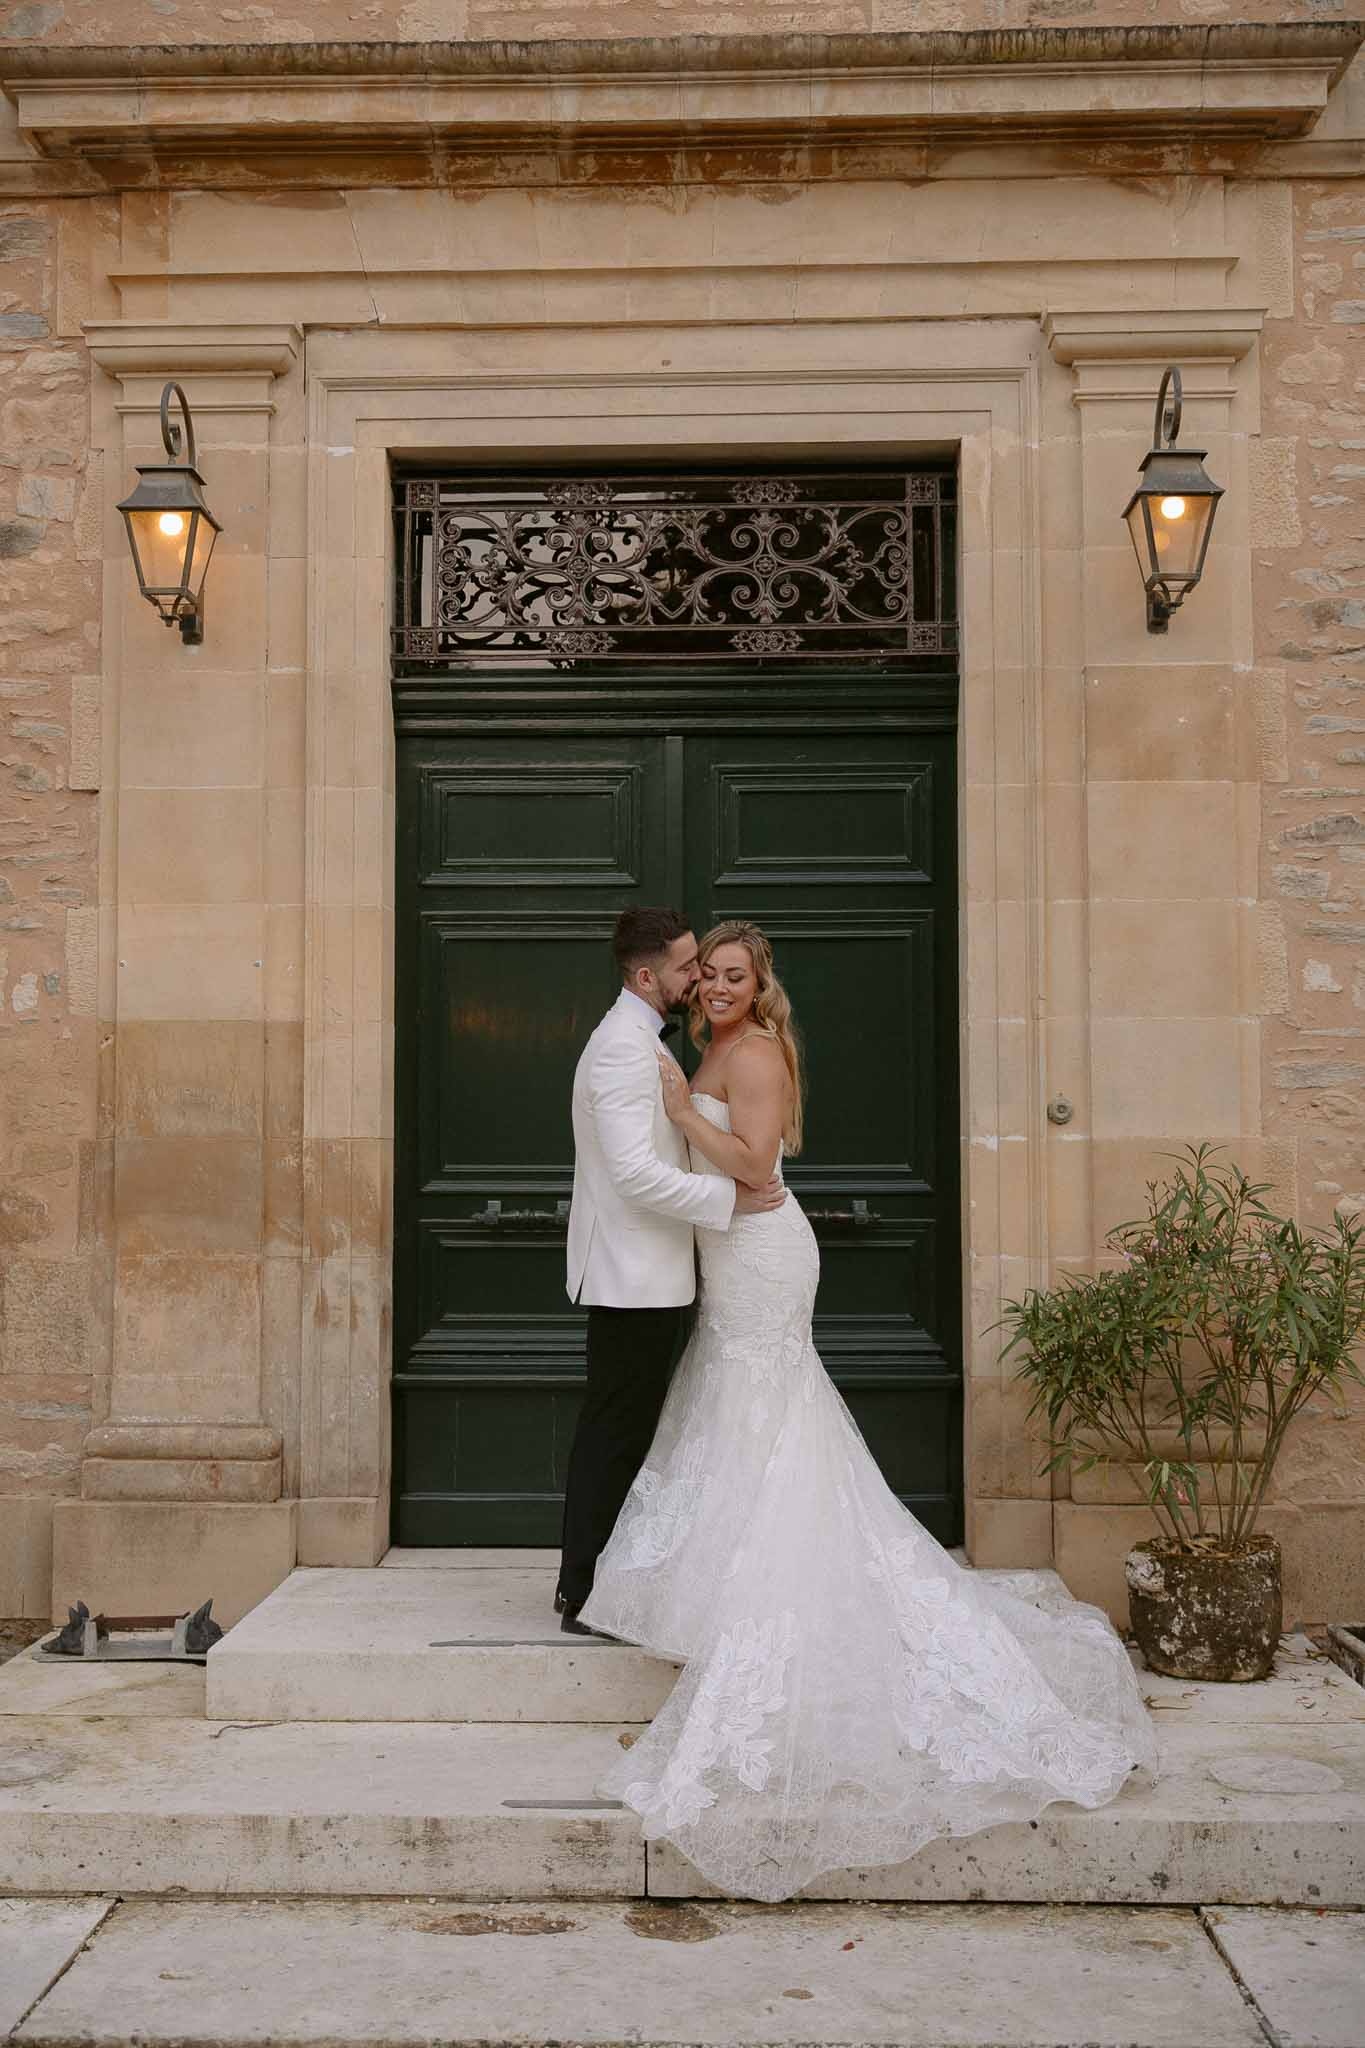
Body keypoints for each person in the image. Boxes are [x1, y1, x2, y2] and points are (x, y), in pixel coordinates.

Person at [579, 919, 1158, 1902]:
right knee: (736, 1413)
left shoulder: (751, 1051)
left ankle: (791, 1582)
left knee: (772, 1413)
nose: (717, 986)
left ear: (763, 987)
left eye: (734, 975)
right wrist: (685, 1097)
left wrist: (682, 1111)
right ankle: (729, 1578)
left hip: (760, 1251)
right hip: (726, 1254)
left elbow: (756, 1169)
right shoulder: (706, 1043)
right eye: (707, 973)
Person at [558, 906, 786, 1635]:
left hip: (654, 1268)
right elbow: (631, 1175)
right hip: (634, 1273)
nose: (698, 978)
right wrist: (729, 1199)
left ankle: (601, 1583)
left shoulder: (640, 1038)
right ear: (648, 974)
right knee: (616, 1432)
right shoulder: (626, 1048)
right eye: (689, 967)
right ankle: (583, 1591)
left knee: (624, 1429)